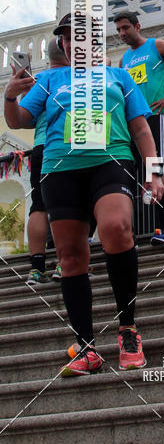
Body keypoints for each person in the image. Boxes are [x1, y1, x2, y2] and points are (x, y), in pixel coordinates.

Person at [4, 13, 164, 376]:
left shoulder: (118, 76)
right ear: (63, 44)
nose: (73, 43)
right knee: (71, 256)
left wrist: (154, 171)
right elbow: (18, 121)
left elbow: (141, 129)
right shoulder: (49, 79)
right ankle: (86, 347)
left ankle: (127, 330)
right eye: (67, 38)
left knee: (116, 227)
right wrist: (10, 96)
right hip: (61, 169)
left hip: (111, 161)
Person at [114, 11, 164, 244]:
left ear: (137, 26)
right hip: (131, 122)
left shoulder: (157, 45)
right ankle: (132, 231)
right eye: (118, 30)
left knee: (156, 170)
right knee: (131, 174)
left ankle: (162, 230)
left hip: (155, 118)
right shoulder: (123, 60)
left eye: (125, 28)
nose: (122, 33)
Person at [25, 39, 69, 287]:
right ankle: (65, 262)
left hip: (40, 146)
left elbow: (26, 118)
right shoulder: (75, 76)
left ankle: (36, 268)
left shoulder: (38, 81)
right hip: (66, 144)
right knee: (70, 204)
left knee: (38, 205)